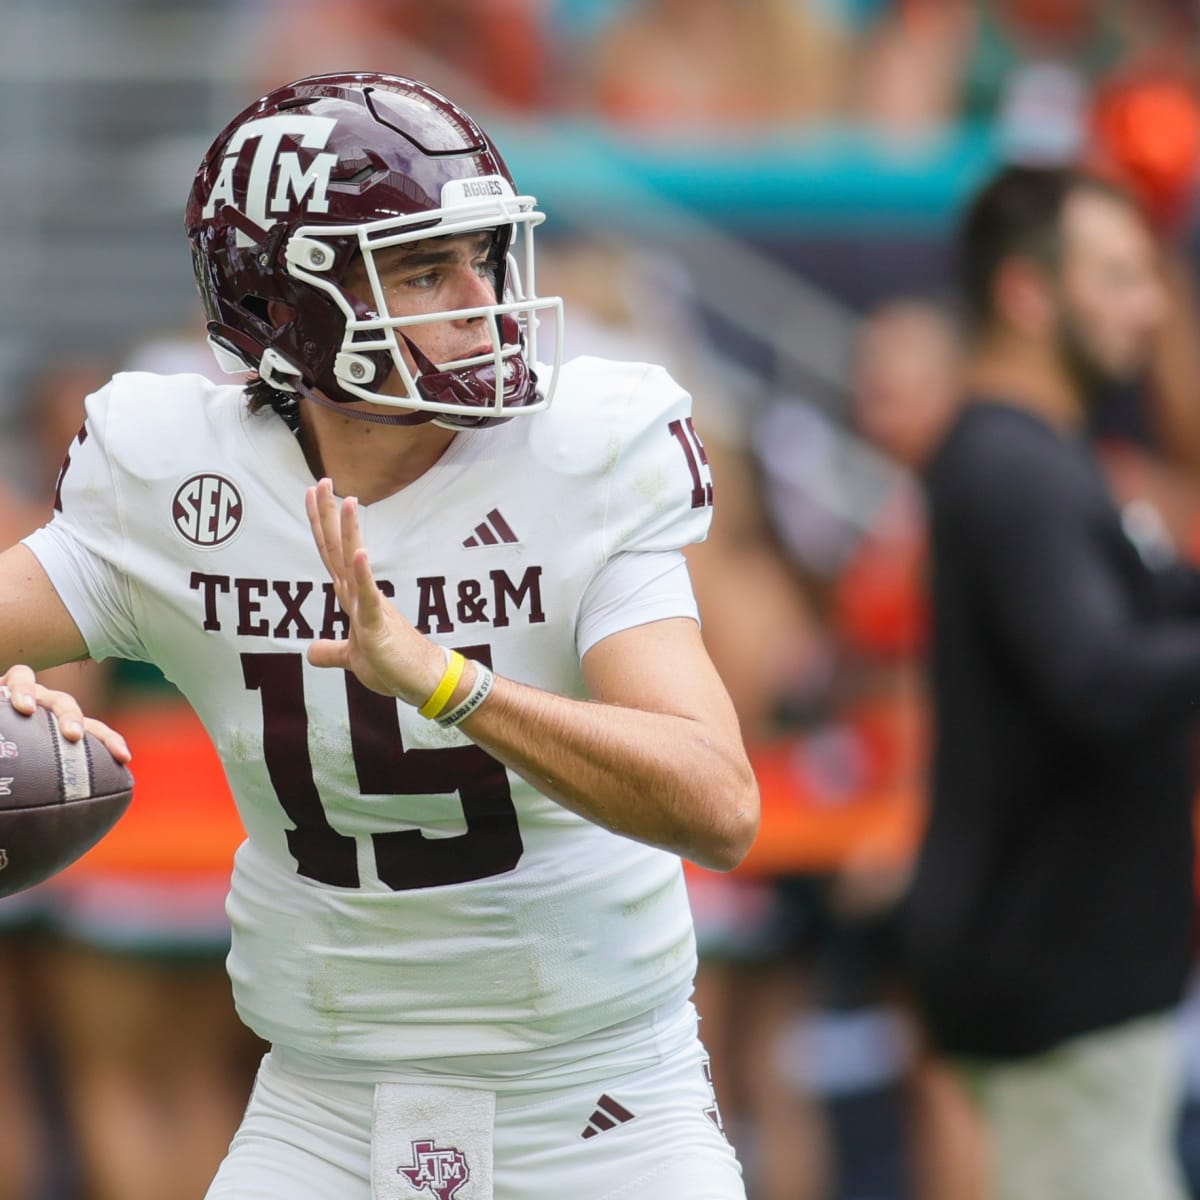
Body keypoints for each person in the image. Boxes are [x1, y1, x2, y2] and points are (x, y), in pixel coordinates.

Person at [0, 71, 759, 1200]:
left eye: (484, 257)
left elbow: (719, 803)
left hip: (601, 1107)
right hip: (322, 1106)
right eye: (422, 269)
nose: (482, 298)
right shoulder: (178, 475)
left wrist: (448, 682)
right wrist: (17, 688)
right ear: (285, 307)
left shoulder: (581, 455)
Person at [901, 163, 1199, 1200]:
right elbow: (1097, 676)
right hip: (1066, 985)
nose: (1150, 307)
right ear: (1028, 295)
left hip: (1058, 970)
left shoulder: (1034, 457)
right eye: (1118, 277)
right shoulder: (1015, 466)